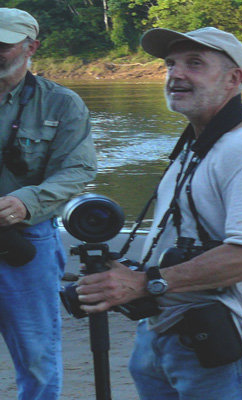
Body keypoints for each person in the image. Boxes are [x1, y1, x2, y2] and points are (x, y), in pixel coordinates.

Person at [74, 27, 242, 398]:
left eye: (194, 64)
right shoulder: (198, 143)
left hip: (223, 341)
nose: (176, 74)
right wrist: (132, 276)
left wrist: (143, 283)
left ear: (234, 79)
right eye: (170, 64)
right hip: (167, 332)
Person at [0, 8, 95, 399]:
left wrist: (27, 201)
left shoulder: (63, 104)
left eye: (2, 45)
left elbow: (78, 169)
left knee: (37, 359)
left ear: (30, 47)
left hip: (27, 241)